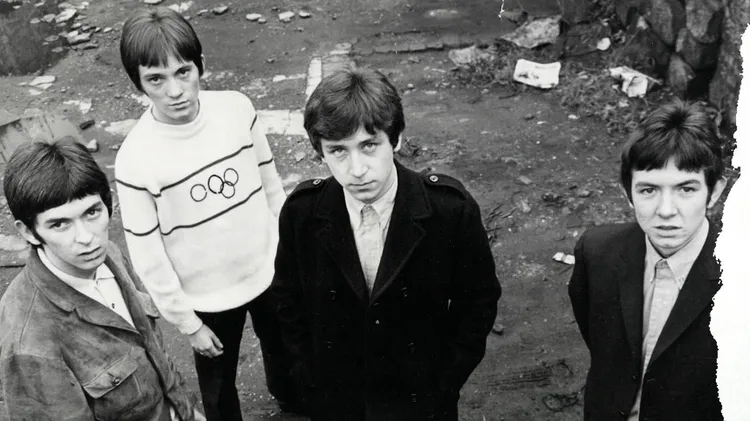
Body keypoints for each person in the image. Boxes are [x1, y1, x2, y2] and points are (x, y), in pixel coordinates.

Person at [271, 64, 502, 421]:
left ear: (395, 140)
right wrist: (311, 380)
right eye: (338, 151)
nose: (357, 169)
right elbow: (288, 301)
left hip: (419, 401)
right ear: (320, 152)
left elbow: (478, 302)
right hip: (338, 402)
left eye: (369, 145)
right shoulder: (302, 213)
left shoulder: (448, 211)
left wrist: (444, 382)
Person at [115, 7, 298, 420]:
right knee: (218, 387)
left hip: (268, 271)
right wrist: (188, 323)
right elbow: (148, 255)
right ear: (138, 83)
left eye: (183, 72)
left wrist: (288, 255)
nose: (175, 90)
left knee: (287, 351)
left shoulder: (237, 110)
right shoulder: (135, 159)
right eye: (156, 79)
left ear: (201, 65)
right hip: (207, 299)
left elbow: (271, 186)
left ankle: (292, 401)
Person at [0, 137, 204, 421]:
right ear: (28, 232)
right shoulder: (30, 341)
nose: (86, 238)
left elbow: (152, 347)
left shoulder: (109, 255)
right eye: (60, 224)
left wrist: (185, 410)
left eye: (91, 212)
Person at [568, 100, 727, 421]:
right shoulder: (597, 252)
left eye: (685, 189)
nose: (666, 210)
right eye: (648, 190)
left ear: (714, 192)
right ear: (628, 193)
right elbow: (599, 342)